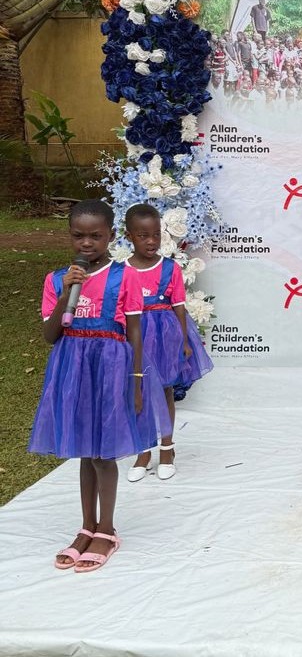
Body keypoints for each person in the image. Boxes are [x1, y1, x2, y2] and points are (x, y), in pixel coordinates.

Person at [28, 199, 166, 572]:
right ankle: (86, 525)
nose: (86, 243)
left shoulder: (126, 277)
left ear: (111, 236)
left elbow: (135, 334)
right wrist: (64, 296)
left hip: (111, 369)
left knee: (104, 453)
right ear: (69, 235)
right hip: (73, 369)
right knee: (85, 452)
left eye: (95, 236)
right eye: (78, 236)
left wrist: (137, 381)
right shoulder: (58, 279)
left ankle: (106, 529)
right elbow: (50, 334)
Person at [124, 204, 213, 482]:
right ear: (129, 237)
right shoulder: (121, 271)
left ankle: (167, 448)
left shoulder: (170, 268)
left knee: (164, 392)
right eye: (143, 236)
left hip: (164, 336)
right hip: (134, 336)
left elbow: (178, 306)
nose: (151, 241)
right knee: (136, 394)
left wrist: (184, 341)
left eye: (155, 235)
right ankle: (142, 451)